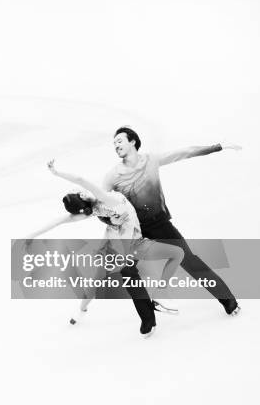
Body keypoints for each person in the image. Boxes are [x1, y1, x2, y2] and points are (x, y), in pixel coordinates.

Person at [23, 160, 185, 337]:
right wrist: (56, 173)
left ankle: (147, 311)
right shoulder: (98, 202)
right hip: (117, 246)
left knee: (124, 277)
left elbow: (62, 214)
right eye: (78, 192)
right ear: (83, 200)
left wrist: (32, 234)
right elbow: (78, 183)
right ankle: (84, 309)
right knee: (101, 281)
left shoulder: (99, 204)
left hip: (129, 244)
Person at [103, 126, 242, 322]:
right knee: (127, 270)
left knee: (189, 259)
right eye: (114, 143)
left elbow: (183, 153)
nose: (116, 145)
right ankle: (148, 320)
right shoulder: (112, 176)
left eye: (119, 140)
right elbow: (103, 204)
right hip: (134, 230)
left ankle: (227, 300)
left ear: (133, 141)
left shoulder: (151, 160)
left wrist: (217, 147)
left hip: (160, 224)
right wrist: (108, 219)